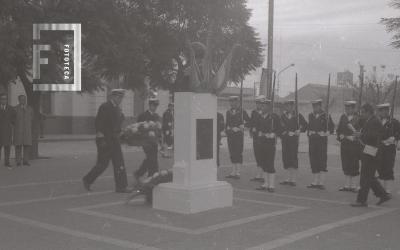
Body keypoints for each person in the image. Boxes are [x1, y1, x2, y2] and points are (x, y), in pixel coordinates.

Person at [83, 89, 131, 193]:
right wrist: (101, 139)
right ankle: (87, 179)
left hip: (115, 140)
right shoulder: (105, 106)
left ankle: (121, 186)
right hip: (105, 140)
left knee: (119, 163)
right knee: (102, 164)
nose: (120, 99)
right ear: (112, 96)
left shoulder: (117, 108)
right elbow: (98, 123)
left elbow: (117, 125)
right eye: (118, 97)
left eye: (121, 97)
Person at [351, 103, 391, 207]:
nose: (361, 114)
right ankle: (383, 195)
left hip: (372, 152)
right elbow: (367, 133)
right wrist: (359, 135)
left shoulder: (374, 121)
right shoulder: (369, 120)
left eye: (363, 112)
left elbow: (374, 136)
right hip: (369, 151)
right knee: (369, 176)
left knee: (365, 176)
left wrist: (361, 135)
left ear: (368, 112)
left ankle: (361, 201)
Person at [255, 99, 282, 192]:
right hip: (261, 143)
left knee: (270, 163)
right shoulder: (260, 116)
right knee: (263, 163)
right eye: (261, 105)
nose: (262, 107)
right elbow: (257, 128)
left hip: (270, 144)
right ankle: (265, 183)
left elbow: (280, 129)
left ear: (268, 107)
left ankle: (271, 185)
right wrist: (259, 133)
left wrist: (274, 134)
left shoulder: (274, 117)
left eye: (264, 106)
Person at [307, 99, 334, 190]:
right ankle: (315, 181)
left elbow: (331, 128)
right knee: (313, 160)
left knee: (321, 160)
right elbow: (309, 127)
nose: (315, 108)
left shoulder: (326, 116)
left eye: (316, 106)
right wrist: (309, 133)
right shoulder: (310, 115)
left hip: (321, 142)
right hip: (313, 141)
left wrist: (326, 133)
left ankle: (321, 182)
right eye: (313, 106)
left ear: (320, 106)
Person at [280, 100, 308, 186]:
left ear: (293, 106)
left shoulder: (298, 116)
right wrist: (283, 132)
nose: (287, 107)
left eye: (289, 106)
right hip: (285, 140)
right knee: (286, 158)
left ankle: (293, 179)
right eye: (286, 106)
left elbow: (305, 125)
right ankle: (287, 178)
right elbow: (279, 127)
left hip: (293, 140)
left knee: (293, 158)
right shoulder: (283, 116)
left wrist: (299, 130)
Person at [336, 101, 362, 192]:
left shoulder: (359, 118)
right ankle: (347, 185)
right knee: (346, 163)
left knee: (354, 164)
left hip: (354, 145)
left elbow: (361, 131)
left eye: (349, 108)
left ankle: (354, 185)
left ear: (353, 108)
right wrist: (340, 136)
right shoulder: (343, 117)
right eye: (346, 108)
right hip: (345, 145)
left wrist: (354, 137)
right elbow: (338, 130)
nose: (347, 110)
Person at [133, 97, 162, 182]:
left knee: (152, 158)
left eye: (156, 105)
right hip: (145, 141)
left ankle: (140, 173)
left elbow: (159, 129)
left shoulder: (157, 116)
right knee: (151, 158)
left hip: (154, 141)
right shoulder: (143, 115)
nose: (155, 107)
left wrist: (160, 140)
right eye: (153, 105)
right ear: (149, 105)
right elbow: (138, 127)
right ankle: (152, 176)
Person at [376, 103, 400, 194]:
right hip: (379, 148)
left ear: (388, 111)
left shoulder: (394, 122)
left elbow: (398, 133)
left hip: (389, 149)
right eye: (381, 111)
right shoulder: (377, 121)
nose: (384, 112)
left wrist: (395, 138)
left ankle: (387, 189)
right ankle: (382, 188)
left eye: (386, 110)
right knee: (380, 167)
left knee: (388, 167)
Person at [225, 96, 249, 179]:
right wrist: (229, 129)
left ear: (238, 102)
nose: (232, 103)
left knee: (238, 152)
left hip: (238, 135)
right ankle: (233, 171)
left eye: (233, 102)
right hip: (231, 135)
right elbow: (227, 124)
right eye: (230, 102)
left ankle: (238, 172)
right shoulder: (228, 112)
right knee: (232, 152)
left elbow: (249, 121)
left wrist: (241, 126)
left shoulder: (242, 111)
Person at [249, 95, 266, 182]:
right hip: (256, 137)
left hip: (263, 137)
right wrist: (251, 131)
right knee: (257, 155)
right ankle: (258, 175)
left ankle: (262, 175)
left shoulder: (266, 113)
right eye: (257, 103)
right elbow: (252, 122)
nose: (258, 105)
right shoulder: (254, 112)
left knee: (263, 155)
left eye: (260, 103)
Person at [13, 95, 33, 166]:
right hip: (18, 131)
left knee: (26, 146)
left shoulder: (30, 109)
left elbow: (31, 118)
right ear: (19, 100)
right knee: (18, 146)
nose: (23, 101)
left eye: (24, 99)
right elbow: (13, 120)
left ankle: (25, 161)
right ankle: (18, 161)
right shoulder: (15, 109)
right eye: (22, 99)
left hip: (27, 131)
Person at [0, 93, 15, 169]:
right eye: (2, 99)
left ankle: (7, 162)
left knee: (7, 147)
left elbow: (14, 119)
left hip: (7, 131)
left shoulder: (11, 108)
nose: (4, 100)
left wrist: (11, 125)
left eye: (5, 99)